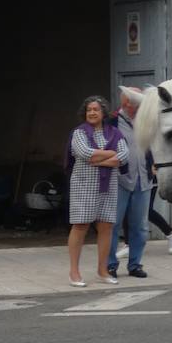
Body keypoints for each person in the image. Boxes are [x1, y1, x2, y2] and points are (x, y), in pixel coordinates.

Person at [65, 95, 128, 287]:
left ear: (103, 113)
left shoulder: (115, 133)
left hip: (108, 187)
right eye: (89, 110)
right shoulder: (79, 133)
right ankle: (74, 272)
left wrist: (98, 159)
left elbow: (123, 156)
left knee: (106, 227)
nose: (92, 112)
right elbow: (84, 154)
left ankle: (102, 270)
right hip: (83, 186)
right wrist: (111, 154)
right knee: (81, 226)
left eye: (96, 109)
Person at [105, 90, 151, 278]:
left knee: (140, 225)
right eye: (137, 102)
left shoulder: (147, 121)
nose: (141, 106)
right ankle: (110, 264)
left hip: (144, 178)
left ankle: (135, 264)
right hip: (119, 179)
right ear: (127, 104)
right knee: (113, 224)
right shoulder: (112, 122)